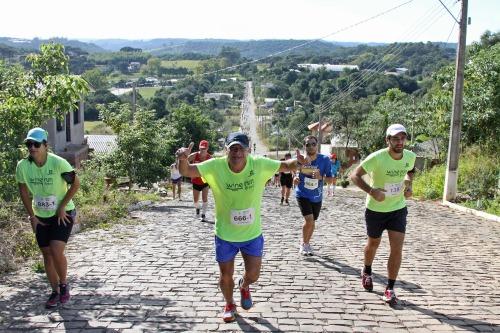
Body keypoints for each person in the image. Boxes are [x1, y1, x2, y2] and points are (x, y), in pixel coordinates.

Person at [176, 132, 306, 322]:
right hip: (225, 234)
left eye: (240, 148)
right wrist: (181, 158)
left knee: (254, 274)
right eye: (233, 148)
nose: (237, 152)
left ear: (247, 150)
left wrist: (299, 163)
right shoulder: (215, 166)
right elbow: (187, 171)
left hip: (251, 234)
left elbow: (286, 166)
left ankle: (244, 285)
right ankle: (229, 304)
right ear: (226, 150)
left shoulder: (259, 164)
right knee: (225, 275)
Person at [350, 124, 416, 305]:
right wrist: (371, 191)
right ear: (387, 140)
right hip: (376, 210)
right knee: (373, 244)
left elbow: (409, 171)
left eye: (402, 138)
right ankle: (367, 271)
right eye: (395, 138)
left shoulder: (410, 157)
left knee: (397, 248)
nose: (400, 142)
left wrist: (409, 185)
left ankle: (390, 288)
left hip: (397, 209)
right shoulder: (377, 157)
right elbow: (354, 175)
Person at [16, 128, 80, 309]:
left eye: (36, 144)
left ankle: (64, 284)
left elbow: (75, 184)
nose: (32, 148)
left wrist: (61, 207)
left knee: (55, 249)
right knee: (46, 254)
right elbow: (23, 190)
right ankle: (54, 291)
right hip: (40, 215)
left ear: (45, 145)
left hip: (63, 213)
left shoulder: (58, 163)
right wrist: (31, 215)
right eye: (29, 144)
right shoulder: (23, 166)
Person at [294, 135, 333, 256]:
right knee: (309, 220)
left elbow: (331, 180)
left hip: (317, 196)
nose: (310, 146)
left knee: (312, 222)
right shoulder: (301, 159)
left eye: (313, 144)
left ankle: (307, 242)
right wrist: (295, 177)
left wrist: (320, 177)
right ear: (304, 146)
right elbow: (295, 170)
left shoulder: (325, 160)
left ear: (317, 145)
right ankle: (304, 244)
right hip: (302, 194)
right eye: (307, 144)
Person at [188, 140, 211, 221]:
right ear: (199, 148)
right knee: (195, 201)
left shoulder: (210, 158)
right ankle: (197, 208)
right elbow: (185, 160)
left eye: (204, 148)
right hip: (195, 181)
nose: (202, 150)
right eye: (201, 148)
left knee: (205, 198)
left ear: (207, 148)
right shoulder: (195, 155)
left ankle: (203, 215)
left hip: (205, 181)